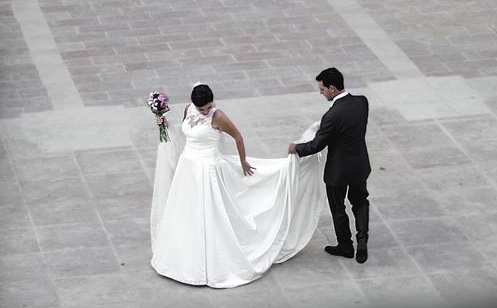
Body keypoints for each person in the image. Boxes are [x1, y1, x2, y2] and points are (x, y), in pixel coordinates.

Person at [150, 83, 326, 288]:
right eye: (202, 109)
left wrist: (243, 162)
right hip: (188, 168)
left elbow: (238, 137)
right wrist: (164, 123)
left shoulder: (218, 117)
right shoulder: (188, 109)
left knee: (210, 213)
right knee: (187, 211)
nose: (206, 111)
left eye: (208, 107)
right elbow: (185, 131)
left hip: (208, 170)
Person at [288, 67, 371, 263]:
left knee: (338, 207)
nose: (321, 92)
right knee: (360, 202)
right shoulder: (362, 102)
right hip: (359, 164)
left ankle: (345, 246)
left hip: (338, 171)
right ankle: (362, 241)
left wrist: (296, 148)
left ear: (332, 88)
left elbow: (317, 145)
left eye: (322, 89)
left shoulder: (332, 116)